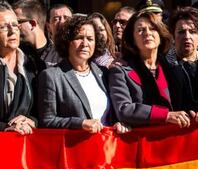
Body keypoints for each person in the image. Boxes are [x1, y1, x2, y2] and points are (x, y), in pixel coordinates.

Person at [109, 12, 198, 128]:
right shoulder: (120, 70)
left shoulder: (172, 67)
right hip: (141, 141)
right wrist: (165, 115)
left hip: (172, 140)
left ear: (160, 34)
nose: (147, 33)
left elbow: (187, 105)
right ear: (132, 38)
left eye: (152, 29)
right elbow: (124, 109)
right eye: (140, 30)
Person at [37, 16, 127, 133]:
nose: (85, 43)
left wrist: (119, 123)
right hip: (74, 147)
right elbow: (46, 120)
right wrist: (80, 123)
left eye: (90, 39)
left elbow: (113, 113)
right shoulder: (51, 76)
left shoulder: (104, 73)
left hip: (106, 146)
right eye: (79, 37)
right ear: (67, 41)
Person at [0, 2, 36, 135]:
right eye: (3, 27)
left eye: (15, 25)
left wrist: (31, 120)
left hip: (23, 149)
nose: (12, 31)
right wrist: (6, 127)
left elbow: (41, 110)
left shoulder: (32, 64)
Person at [166, 7, 198, 111]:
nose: (187, 36)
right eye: (181, 32)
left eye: (192, 31)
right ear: (173, 35)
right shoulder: (162, 65)